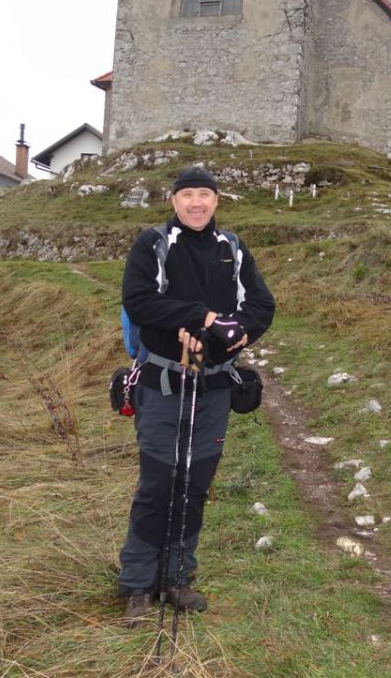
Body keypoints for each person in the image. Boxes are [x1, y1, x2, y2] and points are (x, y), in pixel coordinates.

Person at [118, 165, 275, 625]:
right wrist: (204, 318)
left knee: (194, 484)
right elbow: (139, 301)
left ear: (216, 201)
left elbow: (262, 304)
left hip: (213, 389)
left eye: (204, 194)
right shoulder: (153, 244)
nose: (196, 203)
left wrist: (240, 332)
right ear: (174, 201)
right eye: (187, 195)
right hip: (163, 384)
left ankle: (177, 578)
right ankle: (137, 585)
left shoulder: (233, 249)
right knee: (158, 484)